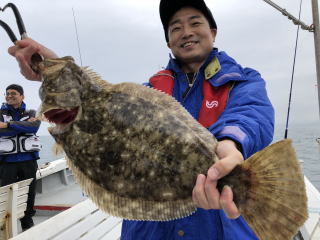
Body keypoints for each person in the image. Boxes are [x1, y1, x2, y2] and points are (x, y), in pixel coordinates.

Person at [7, 0, 274, 238]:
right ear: (169, 42)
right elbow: (96, 99)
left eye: (195, 23)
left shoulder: (244, 81)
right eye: (176, 28)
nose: (186, 32)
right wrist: (54, 68)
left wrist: (231, 143)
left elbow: (250, 114)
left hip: (220, 222)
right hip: (150, 231)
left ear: (213, 32)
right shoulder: (151, 89)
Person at [0, 84, 41, 231]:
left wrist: (8, 124)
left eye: (13, 93)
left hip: (28, 161)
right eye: (7, 93)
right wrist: (22, 126)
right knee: (5, 194)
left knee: (29, 192)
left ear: (22, 96)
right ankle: (5, 224)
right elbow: (2, 133)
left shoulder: (32, 112)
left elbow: (34, 127)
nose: (9, 96)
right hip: (6, 162)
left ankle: (27, 222)